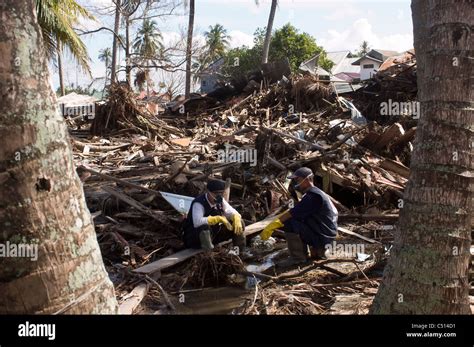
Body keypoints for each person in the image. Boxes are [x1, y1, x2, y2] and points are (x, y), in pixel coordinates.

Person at [260, 167, 338, 265]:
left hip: (323, 237)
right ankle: (317, 250)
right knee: (299, 219)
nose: (296, 182)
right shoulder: (317, 193)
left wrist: (272, 225)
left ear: (308, 179)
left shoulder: (313, 196)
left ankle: (298, 258)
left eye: (298, 179)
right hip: (326, 235)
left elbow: (291, 213)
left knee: (288, 222)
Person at [183, 180, 245, 251]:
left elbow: (230, 211)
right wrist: (217, 218)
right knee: (204, 227)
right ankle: (209, 255)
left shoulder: (220, 200)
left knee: (239, 222)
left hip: (214, 235)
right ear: (208, 192)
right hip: (196, 239)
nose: (219, 196)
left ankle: (239, 251)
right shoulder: (198, 203)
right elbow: (197, 222)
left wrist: (236, 217)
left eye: (221, 193)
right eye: (216, 193)